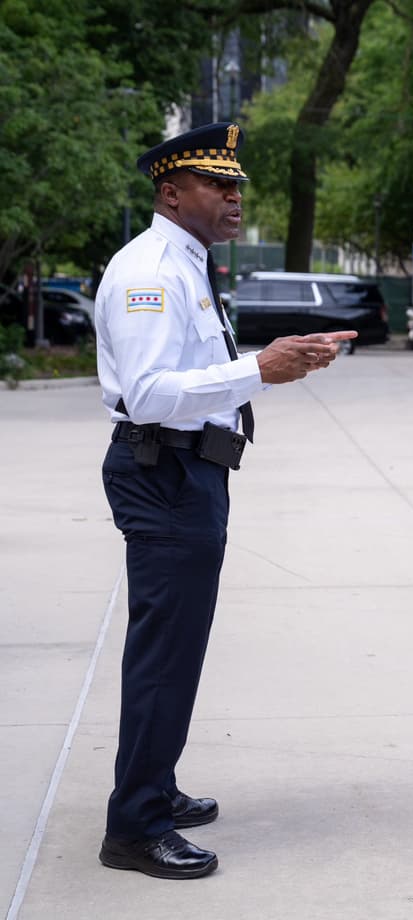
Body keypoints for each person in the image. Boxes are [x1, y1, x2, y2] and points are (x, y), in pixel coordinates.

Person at [94, 122, 356, 879]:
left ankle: (155, 787)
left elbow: (194, 372)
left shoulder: (190, 264)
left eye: (237, 184)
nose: (234, 196)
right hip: (164, 471)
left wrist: (273, 362)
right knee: (164, 655)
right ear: (171, 193)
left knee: (177, 650)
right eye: (218, 184)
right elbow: (146, 394)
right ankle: (134, 828)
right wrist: (257, 372)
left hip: (191, 470)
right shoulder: (151, 271)